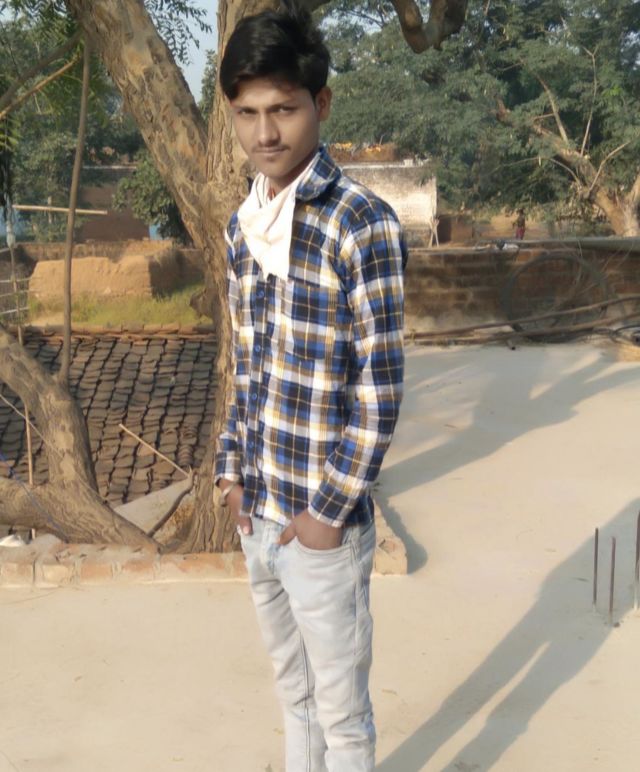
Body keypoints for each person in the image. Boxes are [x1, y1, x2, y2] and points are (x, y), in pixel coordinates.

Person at [214, 4, 406, 770]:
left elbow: (380, 390)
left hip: (320, 524)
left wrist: (328, 513)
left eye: (284, 109)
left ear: (320, 104)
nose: (265, 133)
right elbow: (246, 362)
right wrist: (231, 471)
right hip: (258, 513)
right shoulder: (243, 226)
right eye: (248, 113)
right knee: (292, 697)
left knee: (342, 716)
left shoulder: (361, 223)